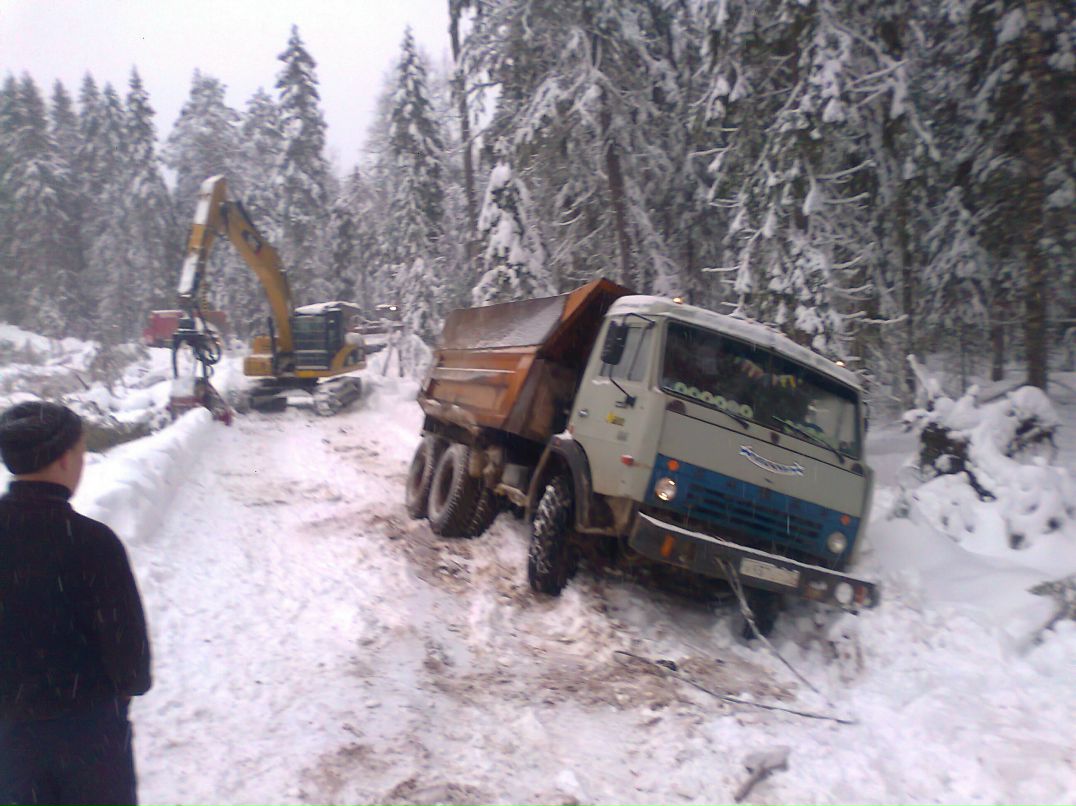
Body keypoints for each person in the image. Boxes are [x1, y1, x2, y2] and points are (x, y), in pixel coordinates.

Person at [0, 401, 152, 806]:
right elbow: (130, 655)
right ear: (66, 460)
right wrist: (122, 694)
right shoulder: (91, 542)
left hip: (8, 734)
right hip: (87, 729)